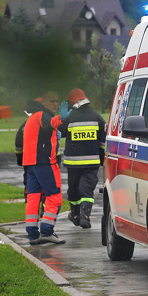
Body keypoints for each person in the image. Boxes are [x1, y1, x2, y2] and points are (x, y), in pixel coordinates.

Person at [22, 90, 69, 245]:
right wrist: (61, 118)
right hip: (45, 163)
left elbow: (44, 131)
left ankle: (33, 234)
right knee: (54, 196)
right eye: (52, 101)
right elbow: (50, 124)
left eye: (57, 101)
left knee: (33, 198)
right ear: (42, 102)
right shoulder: (43, 115)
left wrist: (54, 134)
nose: (55, 104)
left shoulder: (33, 117)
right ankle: (47, 231)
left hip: (31, 164)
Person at [58, 88, 106, 229]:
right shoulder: (97, 118)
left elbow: (59, 132)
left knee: (73, 190)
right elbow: (103, 142)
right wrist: (101, 159)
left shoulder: (69, 118)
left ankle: (75, 214)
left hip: (73, 163)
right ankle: (85, 216)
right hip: (92, 163)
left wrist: (62, 119)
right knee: (87, 189)